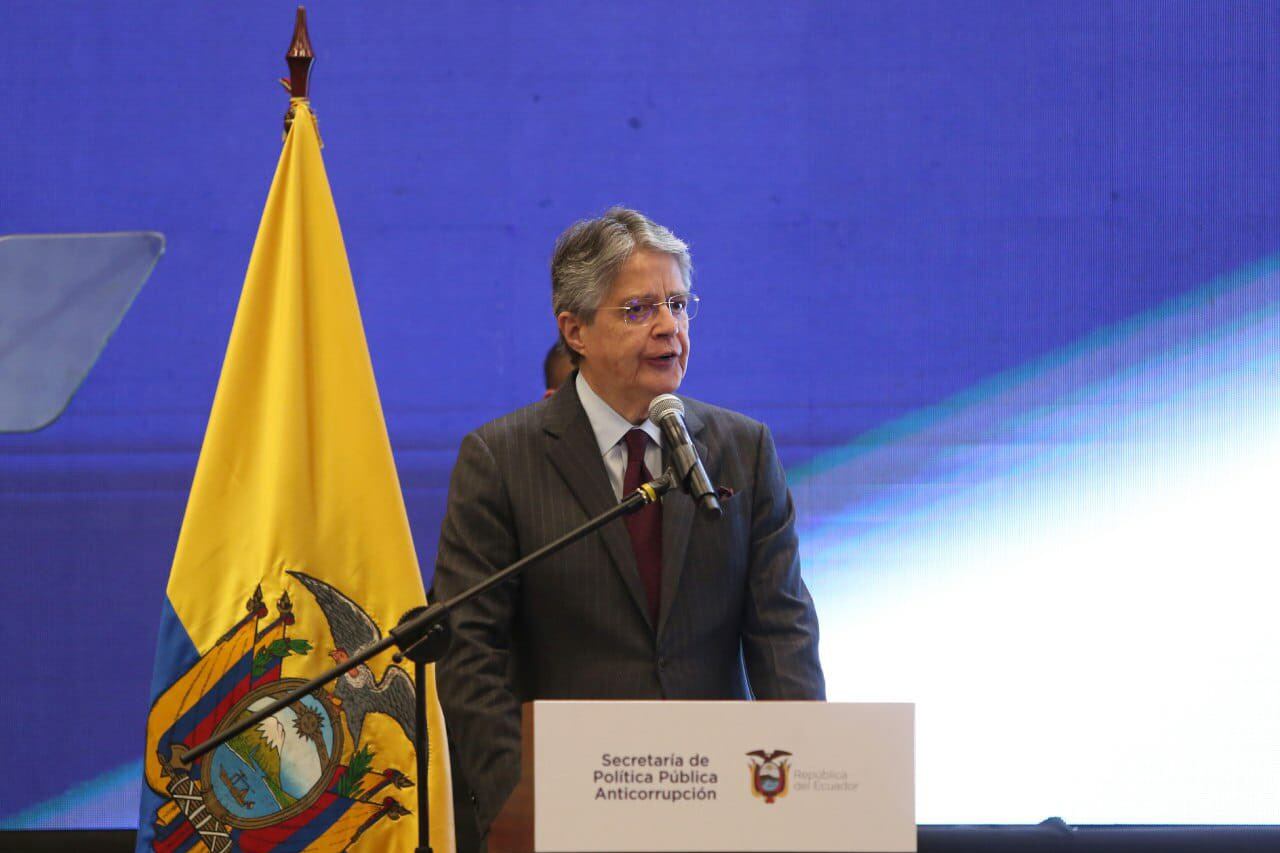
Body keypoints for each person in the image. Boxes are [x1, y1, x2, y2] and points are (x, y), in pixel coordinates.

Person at [434, 207, 824, 849]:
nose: (670, 327)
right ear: (575, 330)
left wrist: (803, 787)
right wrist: (515, 804)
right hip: (561, 809)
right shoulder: (502, 459)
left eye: (678, 303)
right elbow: (470, 651)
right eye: (639, 309)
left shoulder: (742, 450)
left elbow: (783, 635)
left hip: (716, 806)